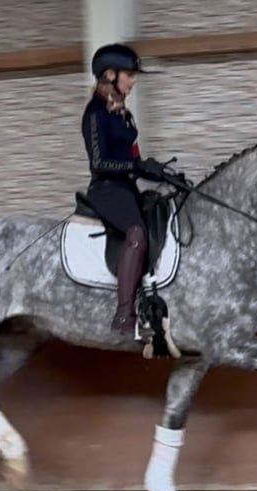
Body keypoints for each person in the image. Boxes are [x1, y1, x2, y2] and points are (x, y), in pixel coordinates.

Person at [81, 43, 169, 335]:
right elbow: (100, 162)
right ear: (109, 74)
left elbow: (132, 156)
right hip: (106, 188)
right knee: (136, 232)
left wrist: (159, 172)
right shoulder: (95, 115)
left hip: (127, 187)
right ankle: (123, 316)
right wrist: (138, 168)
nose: (133, 81)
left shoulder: (124, 114)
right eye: (129, 75)